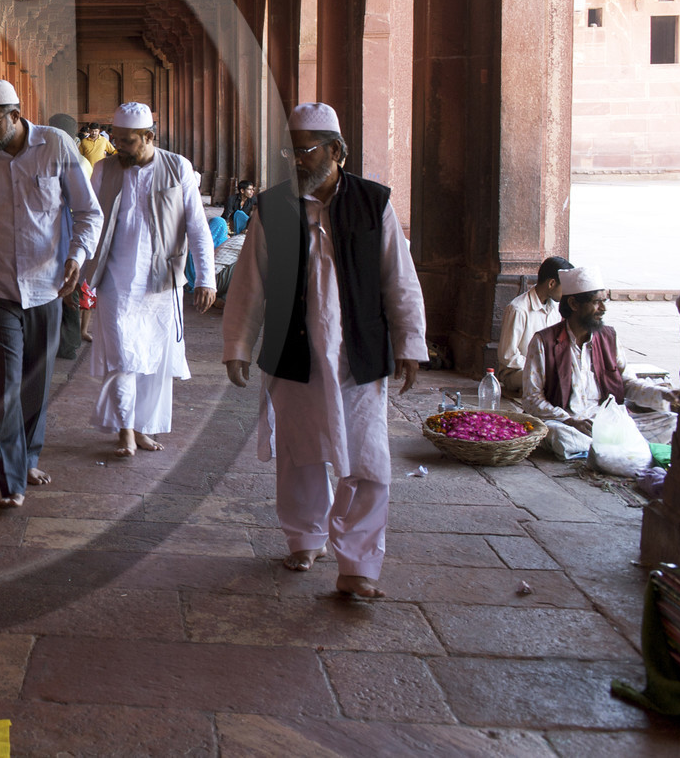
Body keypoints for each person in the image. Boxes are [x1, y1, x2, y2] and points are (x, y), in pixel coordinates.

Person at [221, 103, 427, 600]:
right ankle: (305, 535)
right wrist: (238, 345)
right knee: (299, 455)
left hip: (357, 357)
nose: (295, 162)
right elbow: (250, 283)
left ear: (336, 151)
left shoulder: (374, 203)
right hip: (295, 356)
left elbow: (398, 278)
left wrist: (410, 341)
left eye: (305, 151)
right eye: (289, 152)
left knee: (367, 458)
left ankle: (358, 562)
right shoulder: (273, 208)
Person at [0, 78, 103, 507]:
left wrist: (77, 255)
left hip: (48, 286)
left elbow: (88, 211)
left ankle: (28, 455)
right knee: (5, 384)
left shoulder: (56, 146)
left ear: (15, 115)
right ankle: (10, 477)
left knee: (37, 381)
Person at [83, 102, 216, 457]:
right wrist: (79, 270)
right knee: (122, 356)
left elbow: (197, 227)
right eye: (117, 139)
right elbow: (90, 223)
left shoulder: (178, 167)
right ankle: (125, 428)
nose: (120, 147)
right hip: (114, 279)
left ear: (149, 137)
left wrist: (206, 278)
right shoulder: (104, 169)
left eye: (128, 141)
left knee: (154, 359)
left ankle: (143, 427)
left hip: (161, 282)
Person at [521, 267, 680, 458]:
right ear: (574, 304)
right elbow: (532, 399)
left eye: (604, 301)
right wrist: (569, 420)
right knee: (561, 436)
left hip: (607, 421)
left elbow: (628, 384)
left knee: (671, 421)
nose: (603, 308)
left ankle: (607, 446)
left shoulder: (610, 338)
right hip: (566, 423)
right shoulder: (544, 341)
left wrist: (666, 395)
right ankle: (616, 446)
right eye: (596, 302)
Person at [50, 112, 96, 362]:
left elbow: (84, 207)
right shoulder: (53, 157)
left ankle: (68, 343)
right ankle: (61, 341)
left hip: (72, 236)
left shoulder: (79, 163)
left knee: (70, 291)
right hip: (55, 236)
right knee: (57, 291)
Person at [496, 256, 572, 398]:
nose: (566, 294)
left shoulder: (554, 309)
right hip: (515, 372)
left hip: (544, 368)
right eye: (564, 288)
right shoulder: (518, 309)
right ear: (551, 283)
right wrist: (541, 366)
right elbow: (508, 355)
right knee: (553, 380)